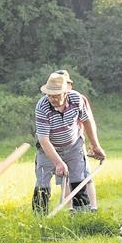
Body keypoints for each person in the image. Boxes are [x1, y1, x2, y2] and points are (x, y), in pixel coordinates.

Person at [32, 70, 105, 214]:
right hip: (48, 150)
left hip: (73, 146)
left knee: (78, 179)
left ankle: (82, 216)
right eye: (49, 95)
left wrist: (95, 145)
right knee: (42, 183)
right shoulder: (42, 107)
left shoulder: (77, 99)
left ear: (65, 92)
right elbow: (44, 139)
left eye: (56, 95)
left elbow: (87, 121)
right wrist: (58, 162)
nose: (52, 98)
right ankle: (38, 218)